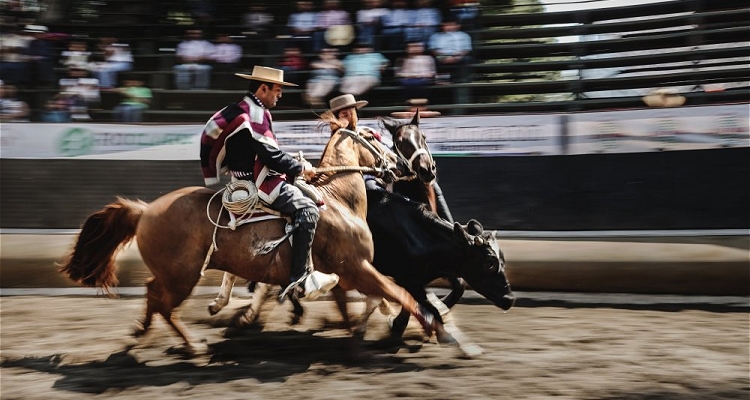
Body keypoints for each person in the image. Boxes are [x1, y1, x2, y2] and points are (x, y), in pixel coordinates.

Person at [199, 66, 340, 301]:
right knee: (308, 210)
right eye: (277, 89)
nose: (280, 94)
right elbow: (270, 156)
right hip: (261, 183)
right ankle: (300, 278)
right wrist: (300, 168)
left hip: (243, 179)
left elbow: (266, 152)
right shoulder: (255, 113)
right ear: (262, 88)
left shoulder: (241, 109)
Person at [427, 19, 473, 83]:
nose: (448, 27)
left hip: (458, 55)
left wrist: (458, 56)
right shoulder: (435, 36)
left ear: (457, 26)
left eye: (451, 25)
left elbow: (467, 49)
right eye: (445, 25)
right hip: (442, 56)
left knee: (467, 59)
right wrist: (443, 57)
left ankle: (461, 80)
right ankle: (441, 81)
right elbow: (433, 49)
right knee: (433, 60)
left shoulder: (464, 35)